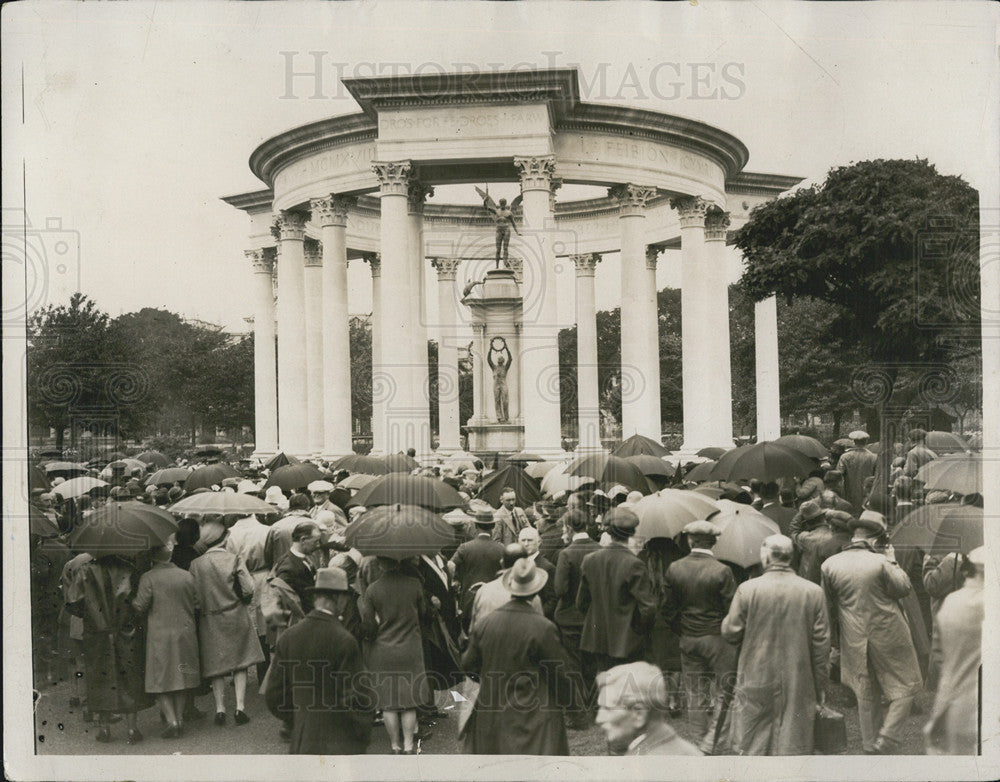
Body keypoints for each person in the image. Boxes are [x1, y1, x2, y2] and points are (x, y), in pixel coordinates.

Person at [821, 511, 923, 754]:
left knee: (865, 692)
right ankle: (888, 738)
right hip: (890, 632)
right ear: (875, 540)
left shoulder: (829, 565)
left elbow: (827, 606)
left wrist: (833, 640)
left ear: (854, 537)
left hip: (853, 635)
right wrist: (892, 560)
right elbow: (903, 588)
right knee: (908, 685)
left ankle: (870, 745)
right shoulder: (880, 562)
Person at [721, 535, 831, 755]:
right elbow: (822, 645)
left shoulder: (747, 589)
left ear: (766, 557)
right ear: (790, 557)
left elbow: (731, 631)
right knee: (793, 743)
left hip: (755, 671)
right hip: (798, 676)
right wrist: (820, 684)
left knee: (753, 742)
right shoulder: (813, 592)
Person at [461, 558, 579, 754]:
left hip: (493, 710)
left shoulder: (487, 624)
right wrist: (575, 710)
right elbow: (560, 673)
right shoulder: (543, 627)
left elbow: (468, 664)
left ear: (510, 586)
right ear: (535, 591)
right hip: (533, 713)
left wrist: (489, 676)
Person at [265, 567, 373, 755]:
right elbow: (359, 698)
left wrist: (300, 719)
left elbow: (274, 696)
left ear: (316, 597)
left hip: (303, 741)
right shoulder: (344, 640)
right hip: (341, 743)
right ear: (340, 599)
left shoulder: (289, 637)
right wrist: (361, 735)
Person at [662, 517, 738, 755]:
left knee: (695, 692)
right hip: (717, 638)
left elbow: (667, 609)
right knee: (725, 691)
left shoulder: (675, 568)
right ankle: (711, 742)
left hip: (689, 637)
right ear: (713, 542)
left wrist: (683, 629)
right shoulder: (722, 571)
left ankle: (700, 741)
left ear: (690, 541)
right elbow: (733, 611)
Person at [64, 554, 150, 744]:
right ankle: (132, 728)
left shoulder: (85, 571)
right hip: (125, 630)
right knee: (129, 676)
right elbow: (137, 603)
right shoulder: (129, 569)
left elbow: (72, 602)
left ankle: (104, 729)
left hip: (97, 633)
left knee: (99, 677)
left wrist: (90, 615)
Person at [189, 520, 265, 726]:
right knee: (240, 662)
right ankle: (240, 707)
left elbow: (194, 597)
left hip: (210, 618)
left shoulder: (196, 564)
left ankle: (220, 709)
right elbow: (249, 588)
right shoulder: (234, 558)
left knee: (216, 665)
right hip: (235, 614)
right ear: (223, 539)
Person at [132, 535, 201, 739]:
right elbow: (197, 602)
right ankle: (179, 718)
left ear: (153, 557)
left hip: (159, 635)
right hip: (185, 632)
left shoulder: (148, 578)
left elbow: (140, 606)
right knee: (181, 677)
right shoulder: (186, 576)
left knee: (159, 679)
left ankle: (172, 721)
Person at [359, 557, 430, 754]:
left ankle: (395, 746)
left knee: (388, 703)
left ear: (380, 564)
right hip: (411, 648)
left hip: (384, 650)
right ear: (398, 562)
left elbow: (369, 625)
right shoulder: (415, 585)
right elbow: (424, 613)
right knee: (409, 701)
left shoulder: (372, 589)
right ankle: (409, 746)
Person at [576, 507, 657, 673]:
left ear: (609, 533)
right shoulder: (634, 563)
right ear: (631, 533)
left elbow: (581, 603)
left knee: (605, 682)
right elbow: (648, 608)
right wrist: (636, 630)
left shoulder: (590, 560)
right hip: (627, 641)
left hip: (597, 639)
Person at [924, 547, 984, 755]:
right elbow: (931, 584)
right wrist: (950, 560)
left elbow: (940, 654)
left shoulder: (954, 602)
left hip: (955, 701)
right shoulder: (941, 555)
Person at [553, 508, 601, 722]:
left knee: (573, 664)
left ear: (569, 528)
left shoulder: (566, 554)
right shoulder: (599, 549)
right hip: (594, 617)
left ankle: (578, 709)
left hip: (570, 617)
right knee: (592, 663)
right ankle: (594, 705)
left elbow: (560, 589)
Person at [595, 662, 700, 756]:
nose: (598, 719)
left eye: (608, 709)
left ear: (639, 715)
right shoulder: (683, 749)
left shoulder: (641, 766)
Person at [468, 543, 542, 633]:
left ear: (502, 562)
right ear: (527, 563)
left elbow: (473, 629)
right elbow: (539, 629)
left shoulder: (483, 591)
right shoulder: (532, 596)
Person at [449, 510, 503, 626]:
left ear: (476, 525)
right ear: (493, 526)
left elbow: (451, 566)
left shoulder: (465, 547)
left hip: (469, 600)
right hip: (494, 602)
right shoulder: (501, 549)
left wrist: (456, 581)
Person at [790, 500, 851, 584]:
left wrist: (801, 512)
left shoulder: (805, 538)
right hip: (833, 579)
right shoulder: (835, 536)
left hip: (809, 580)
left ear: (807, 523)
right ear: (823, 517)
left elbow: (793, 530)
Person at [272, 521, 323, 613]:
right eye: (315, 541)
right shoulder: (287, 568)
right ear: (303, 540)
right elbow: (285, 600)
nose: (318, 545)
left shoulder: (302, 558)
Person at [517, 525, 557, 618]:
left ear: (539, 542)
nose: (526, 544)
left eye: (530, 540)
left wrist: (536, 617)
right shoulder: (517, 564)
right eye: (523, 540)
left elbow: (553, 600)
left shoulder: (547, 567)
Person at [837, 430, 877, 513]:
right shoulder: (873, 457)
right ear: (866, 441)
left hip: (849, 491)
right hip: (867, 491)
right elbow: (876, 475)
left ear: (854, 442)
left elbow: (838, 473)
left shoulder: (845, 457)